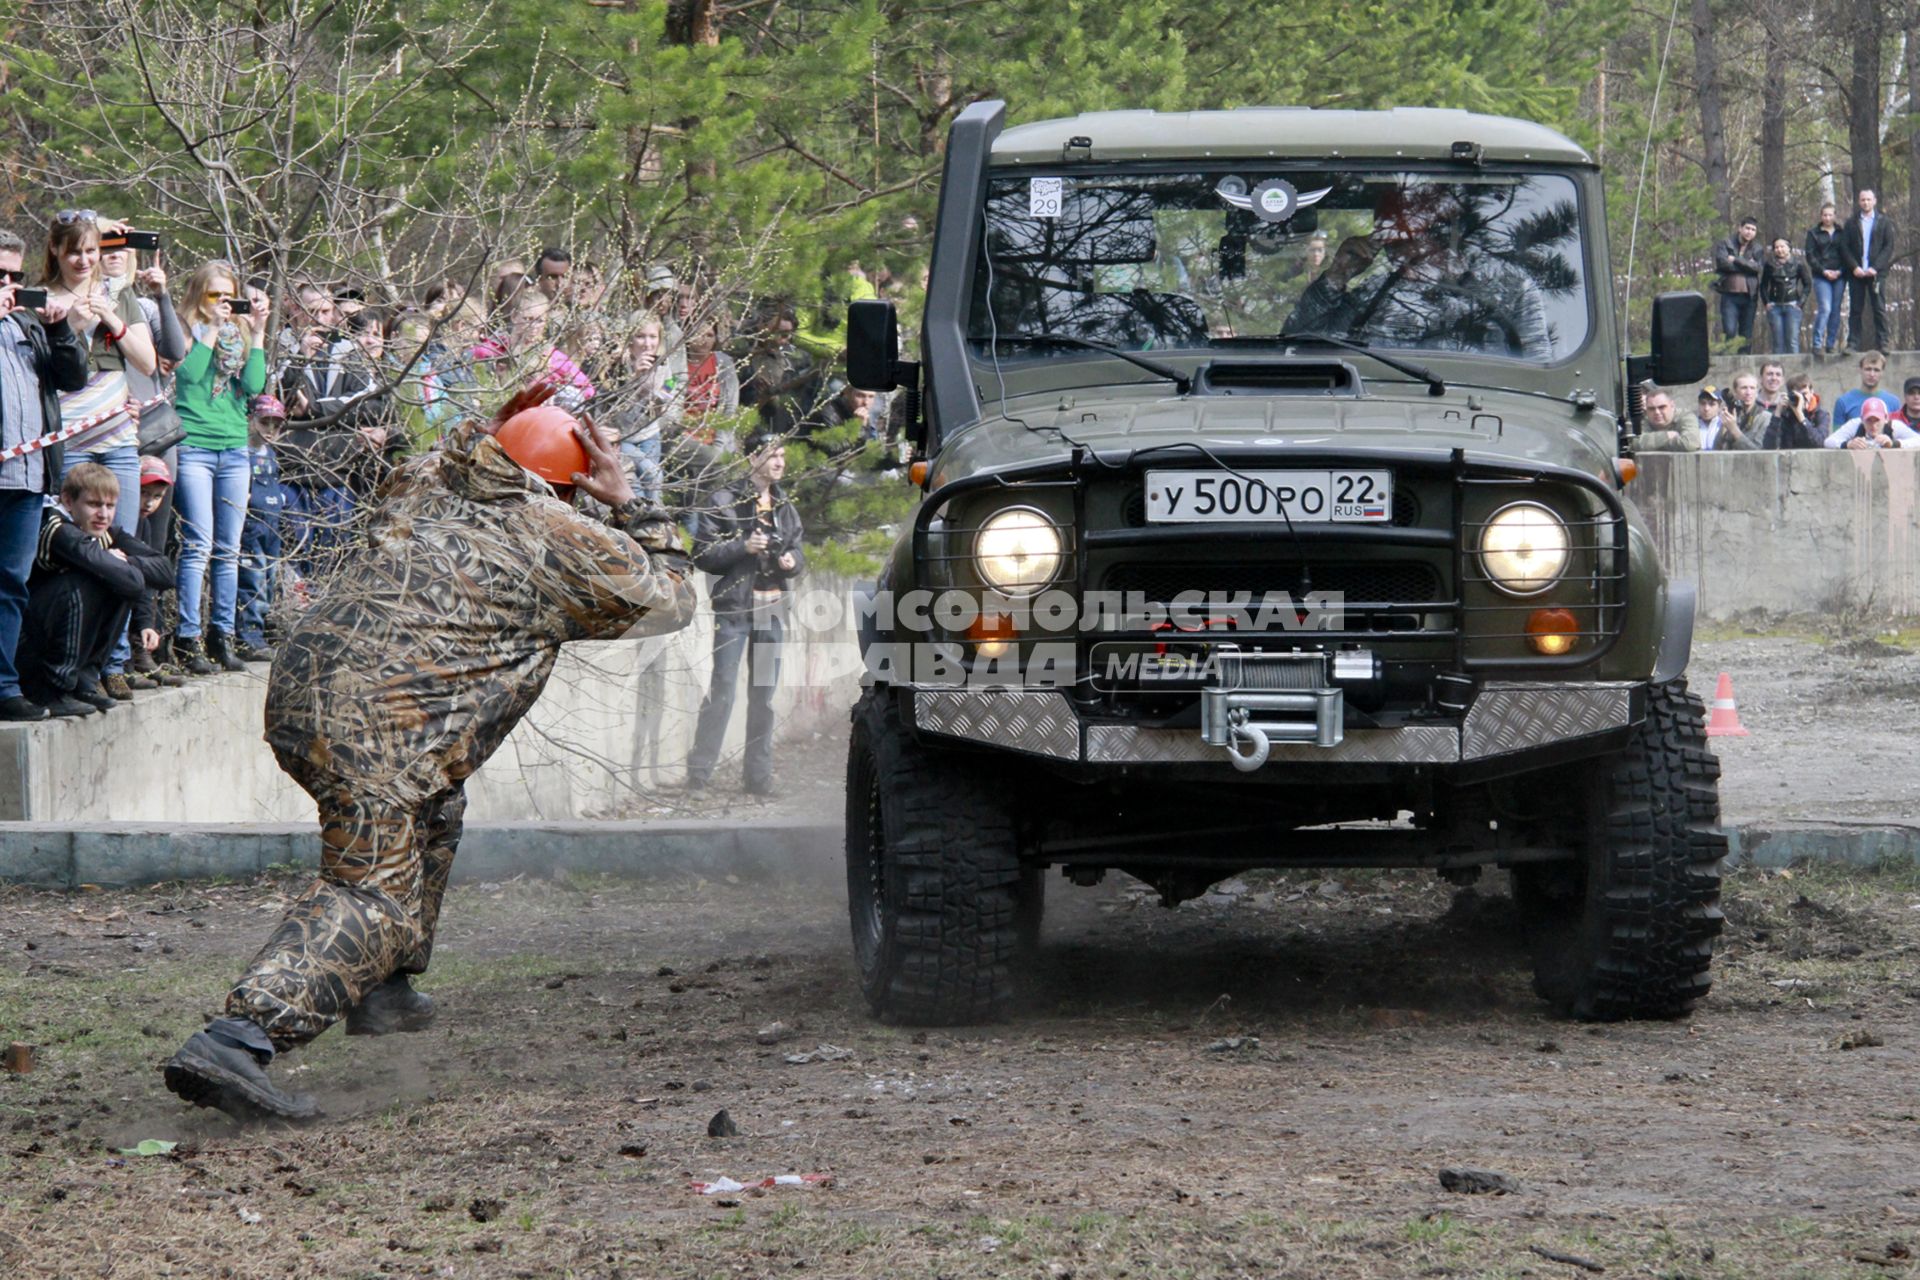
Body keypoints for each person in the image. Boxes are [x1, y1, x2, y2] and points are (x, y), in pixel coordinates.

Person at [162, 391, 695, 1121]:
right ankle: (238, 1038)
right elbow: (669, 598)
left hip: (304, 688)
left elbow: (440, 461)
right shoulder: (556, 534)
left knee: (436, 806)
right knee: (370, 893)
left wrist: (492, 432)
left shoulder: (428, 477)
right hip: (378, 726)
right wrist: (630, 502)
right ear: (570, 486)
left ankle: (383, 990)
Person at [42, 212, 160, 699]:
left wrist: (109, 316)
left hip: (117, 441)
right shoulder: (41, 299)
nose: (84, 260)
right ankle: (74, 667)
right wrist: (71, 323)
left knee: (122, 548)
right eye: (73, 252)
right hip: (70, 442)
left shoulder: (120, 295)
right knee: (82, 557)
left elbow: (149, 362)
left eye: (90, 251)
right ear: (55, 252)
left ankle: (112, 663)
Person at [0, 229, 89, 721]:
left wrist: (58, 328)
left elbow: (73, 378)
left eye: (17, 275)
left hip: (28, 477)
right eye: (0, 275)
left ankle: (5, 685)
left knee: (12, 583)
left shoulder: (28, 326)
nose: (10, 285)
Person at [684, 432, 804, 796]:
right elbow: (702, 555)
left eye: (782, 455)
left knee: (763, 697)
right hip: (733, 611)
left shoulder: (785, 505)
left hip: (771, 612)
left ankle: (758, 779)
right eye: (772, 455)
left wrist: (791, 561)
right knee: (722, 691)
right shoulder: (722, 501)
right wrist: (743, 546)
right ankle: (699, 777)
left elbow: (799, 551)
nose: (780, 462)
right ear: (753, 459)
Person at [16, 461, 172, 716]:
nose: (103, 515)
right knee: (88, 581)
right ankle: (54, 689)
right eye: (93, 505)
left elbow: (165, 571)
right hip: (29, 644)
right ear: (68, 501)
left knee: (116, 580)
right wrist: (118, 564)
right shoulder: (58, 529)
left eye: (110, 506)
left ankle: (84, 682)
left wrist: (128, 560)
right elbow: (131, 580)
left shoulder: (106, 533)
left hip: (53, 634)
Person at [172, 261, 266, 675]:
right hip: (194, 445)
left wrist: (258, 332)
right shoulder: (184, 328)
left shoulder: (239, 334)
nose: (223, 303)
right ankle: (186, 636)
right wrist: (209, 327)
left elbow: (254, 386)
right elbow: (189, 377)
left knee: (229, 547)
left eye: (228, 296)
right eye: (214, 295)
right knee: (198, 545)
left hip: (233, 447)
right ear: (198, 295)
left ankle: (222, 634)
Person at [235, 395, 288, 663]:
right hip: (251, 526)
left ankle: (263, 628)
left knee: (269, 578)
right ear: (250, 420)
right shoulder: (242, 452)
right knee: (251, 579)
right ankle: (248, 636)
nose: (269, 429)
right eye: (264, 422)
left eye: (275, 424)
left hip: (272, 526)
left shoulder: (273, 454)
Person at [126, 455, 183, 689]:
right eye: (144, 493)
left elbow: (149, 578)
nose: (149, 503)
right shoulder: (118, 521)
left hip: (135, 593)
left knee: (143, 574)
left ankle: (140, 651)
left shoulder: (145, 525)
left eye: (157, 496)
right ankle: (120, 663)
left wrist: (145, 623)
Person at [1840, 189, 1894, 353]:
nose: (1866, 203)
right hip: (1856, 273)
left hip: (1876, 274)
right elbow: (1844, 247)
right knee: (1855, 309)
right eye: (1863, 200)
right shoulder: (1851, 223)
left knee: (1879, 307)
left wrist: (1875, 267)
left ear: (1875, 201)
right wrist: (1854, 266)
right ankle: (1853, 343)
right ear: (1859, 201)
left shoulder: (1884, 222)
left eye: (1869, 200)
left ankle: (1884, 342)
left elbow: (1888, 247)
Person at [1712, 217, 1763, 351]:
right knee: (1729, 330)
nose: (1749, 232)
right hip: (1730, 295)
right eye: (1747, 228)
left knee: (1746, 334)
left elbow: (1757, 268)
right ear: (1740, 228)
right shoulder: (1726, 243)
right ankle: (1730, 360)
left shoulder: (1757, 248)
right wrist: (1747, 265)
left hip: (1749, 296)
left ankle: (1745, 365)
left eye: (1753, 230)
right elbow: (1723, 264)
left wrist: (1736, 260)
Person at [1804, 203, 1846, 356]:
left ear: (1835, 216)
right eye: (1825, 215)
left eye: (1830, 215)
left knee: (1835, 310)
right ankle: (1817, 343)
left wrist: (1840, 271)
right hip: (1821, 276)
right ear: (1821, 216)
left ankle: (1831, 344)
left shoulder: (1842, 232)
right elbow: (1810, 255)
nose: (1827, 218)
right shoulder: (1813, 233)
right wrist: (1823, 271)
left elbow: (1847, 253)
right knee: (1825, 308)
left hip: (1840, 275)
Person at [1756, 239, 1811, 355]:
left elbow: (1807, 284)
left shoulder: (1799, 264)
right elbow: (1764, 285)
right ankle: (1777, 369)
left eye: (1782, 247)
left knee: (1792, 340)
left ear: (1789, 248)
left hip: (1792, 305)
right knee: (1777, 341)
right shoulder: (1770, 265)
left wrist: (1801, 303)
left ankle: (1794, 369)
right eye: (1776, 247)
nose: (1779, 250)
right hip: (1775, 306)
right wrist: (1766, 302)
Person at [1833, 351, 1901, 425]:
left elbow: (1897, 433)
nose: (1872, 374)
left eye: (1876, 370)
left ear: (1882, 372)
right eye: (1868, 369)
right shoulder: (1843, 402)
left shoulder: (1894, 403)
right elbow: (1837, 435)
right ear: (1860, 370)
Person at [1763, 374, 1829, 449]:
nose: (1801, 398)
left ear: (1812, 392)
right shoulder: (1786, 415)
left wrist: (1800, 415)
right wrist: (1777, 413)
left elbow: (1819, 442)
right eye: (1797, 395)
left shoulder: (1820, 414)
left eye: (1804, 394)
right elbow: (1768, 447)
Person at [1825, 397, 1918, 449]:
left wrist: (1894, 444)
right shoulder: (1855, 424)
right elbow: (1828, 442)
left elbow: (1918, 440)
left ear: (1885, 418)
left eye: (1877, 420)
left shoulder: (1894, 426)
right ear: (1862, 419)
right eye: (1869, 420)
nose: (1873, 425)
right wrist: (1847, 444)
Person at [1626, 388, 1700, 452]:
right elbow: (1634, 444)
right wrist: (1666, 436)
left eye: (1662, 407)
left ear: (1672, 406)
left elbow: (1690, 443)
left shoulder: (1686, 416)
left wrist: (1652, 445)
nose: (1657, 412)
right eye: (1651, 409)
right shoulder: (1645, 421)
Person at [1718, 372, 1770, 450]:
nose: (1748, 393)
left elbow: (1758, 453)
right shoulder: (1732, 415)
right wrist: (1724, 428)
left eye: (1752, 388)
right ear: (1735, 392)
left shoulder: (1765, 417)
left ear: (1757, 392)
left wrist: (1734, 430)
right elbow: (1717, 448)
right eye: (1744, 388)